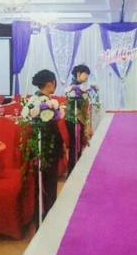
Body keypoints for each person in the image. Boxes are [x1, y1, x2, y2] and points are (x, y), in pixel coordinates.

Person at [32, 69, 65, 220]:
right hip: (49, 147)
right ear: (50, 84)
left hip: (37, 146)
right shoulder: (48, 103)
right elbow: (52, 128)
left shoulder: (33, 100)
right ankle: (49, 217)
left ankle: (41, 216)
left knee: (40, 184)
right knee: (50, 184)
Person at [66, 65, 93, 175]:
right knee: (74, 146)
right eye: (85, 74)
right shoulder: (72, 87)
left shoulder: (83, 87)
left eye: (88, 74)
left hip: (80, 119)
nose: (87, 76)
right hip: (73, 119)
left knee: (79, 145)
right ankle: (72, 172)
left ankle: (77, 170)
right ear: (78, 73)